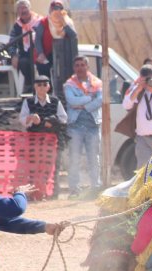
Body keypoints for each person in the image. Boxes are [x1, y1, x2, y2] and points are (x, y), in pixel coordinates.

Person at [19, 74, 67, 196]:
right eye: (39, 84)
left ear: (48, 86)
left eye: (44, 84)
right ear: (35, 86)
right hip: (34, 142)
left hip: (52, 141)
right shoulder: (28, 102)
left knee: (53, 167)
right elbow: (22, 120)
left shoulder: (55, 101)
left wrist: (52, 121)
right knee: (33, 168)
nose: (41, 87)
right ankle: (34, 193)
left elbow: (64, 119)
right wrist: (30, 118)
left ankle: (53, 193)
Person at [64, 55, 103, 199]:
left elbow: (101, 100)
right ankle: (74, 190)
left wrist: (83, 106)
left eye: (82, 65)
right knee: (74, 158)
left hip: (93, 125)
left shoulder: (97, 83)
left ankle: (95, 188)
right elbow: (71, 100)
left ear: (87, 66)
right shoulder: (69, 84)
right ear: (74, 68)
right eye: (77, 65)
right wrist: (89, 99)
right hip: (75, 126)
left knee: (94, 158)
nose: (80, 67)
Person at [33, 0, 78, 98]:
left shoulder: (67, 21)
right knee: (43, 68)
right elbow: (38, 39)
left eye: (59, 9)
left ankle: (65, 94)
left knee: (63, 73)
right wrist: (40, 53)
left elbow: (73, 35)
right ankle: (46, 94)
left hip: (63, 53)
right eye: (54, 9)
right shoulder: (43, 22)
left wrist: (63, 22)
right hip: (46, 52)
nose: (56, 11)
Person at [9, 0, 42, 94]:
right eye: (19, 8)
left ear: (29, 9)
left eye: (24, 7)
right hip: (25, 54)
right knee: (23, 62)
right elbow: (12, 41)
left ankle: (44, 87)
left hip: (39, 52)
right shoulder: (17, 25)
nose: (22, 11)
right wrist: (13, 55)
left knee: (43, 64)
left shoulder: (39, 21)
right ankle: (31, 85)